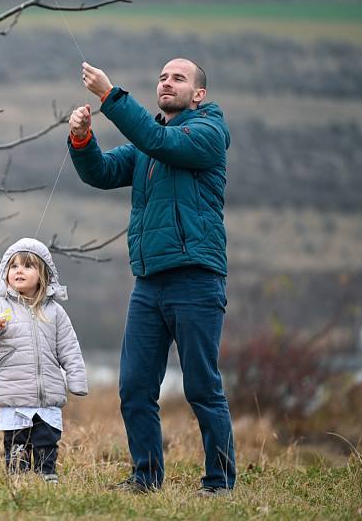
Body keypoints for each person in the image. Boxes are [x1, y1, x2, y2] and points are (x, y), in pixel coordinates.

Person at [68, 59, 236, 496]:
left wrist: (110, 96)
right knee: (135, 388)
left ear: (198, 94)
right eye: (162, 77)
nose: (167, 82)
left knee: (202, 387)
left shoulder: (208, 134)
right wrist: (82, 139)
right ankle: (145, 478)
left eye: (178, 78)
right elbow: (101, 172)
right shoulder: (149, 143)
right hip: (148, 283)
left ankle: (219, 482)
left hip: (196, 280)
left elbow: (159, 139)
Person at [0, 238, 88, 484]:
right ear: (6, 273)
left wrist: (77, 379)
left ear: (43, 274)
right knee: (16, 441)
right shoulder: (0, 306)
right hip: (14, 392)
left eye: (27, 266)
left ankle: (47, 474)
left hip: (47, 394)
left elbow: (69, 348)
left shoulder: (55, 311)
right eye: (13, 267)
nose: (19, 271)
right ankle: (18, 478)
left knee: (46, 438)